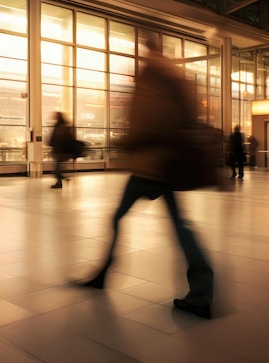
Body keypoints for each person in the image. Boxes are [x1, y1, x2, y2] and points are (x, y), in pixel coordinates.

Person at [76, 40, 215, 319]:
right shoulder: (173, 79)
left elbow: (153, 124)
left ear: (151, 51)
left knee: (121, 218)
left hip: (150, 167)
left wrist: (129, 140)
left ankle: (104, 275)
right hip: (163, 165)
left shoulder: (155, 80)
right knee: (180, 228)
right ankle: (201, 292)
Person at [48, 111, 73, 189]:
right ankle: (61, 181)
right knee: (57, 169)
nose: (53, 116)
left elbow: (57, 138)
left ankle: (62, 181)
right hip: (60, 151)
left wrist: (52, 143)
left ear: (58, 117)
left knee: (56, 170)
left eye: (55, 115)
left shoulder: (60, 126)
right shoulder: (63, 126)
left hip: (59, 151)